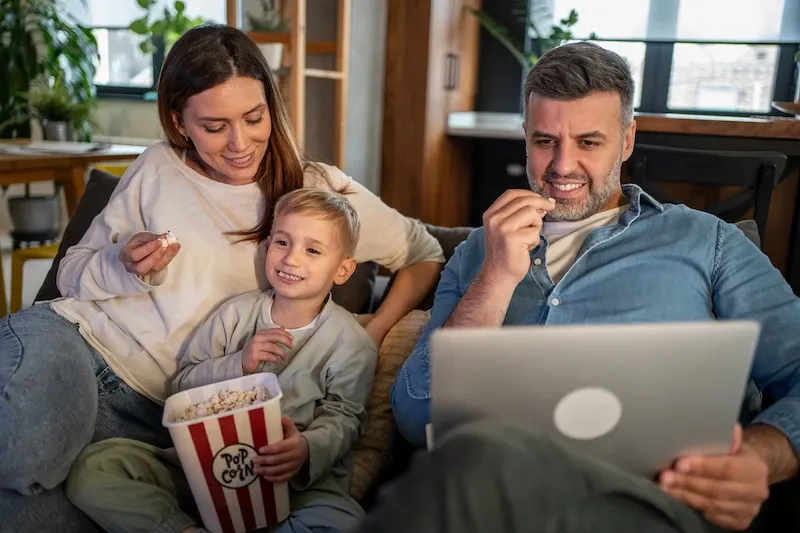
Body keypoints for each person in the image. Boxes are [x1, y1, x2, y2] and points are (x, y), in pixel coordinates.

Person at [0, 24, 443, 531]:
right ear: (178, 121)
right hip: (76, 343)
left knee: (24, 513)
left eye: (255, 118)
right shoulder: (157, 166)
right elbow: (72, 275)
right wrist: (120, 262)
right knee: (19, 453)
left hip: (165, 414)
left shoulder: (312, 194)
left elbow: (423, 252)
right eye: (214, 127)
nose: (240, 144)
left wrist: (376, 329)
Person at [390, 42, 800, 532]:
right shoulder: (478, 252)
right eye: (545, 141)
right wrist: (496, 277)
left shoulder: (708, 243)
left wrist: (759, 456)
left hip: (648, 507)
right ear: (525, 137)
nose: (562, 166)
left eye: (588, 142)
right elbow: (416, 418)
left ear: (626, 141)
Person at [65, 188, 377, 533]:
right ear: (268, 244)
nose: (291, 259)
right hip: (205, 467)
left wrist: (305, 448)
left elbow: (348, 417)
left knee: (345, 523)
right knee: (93, 467)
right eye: (283, 243)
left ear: (343, 270)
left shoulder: (351, 343)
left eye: (313, 250)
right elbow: (183, 384)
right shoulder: (235, 315)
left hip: (296, 484)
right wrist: (238, 364)